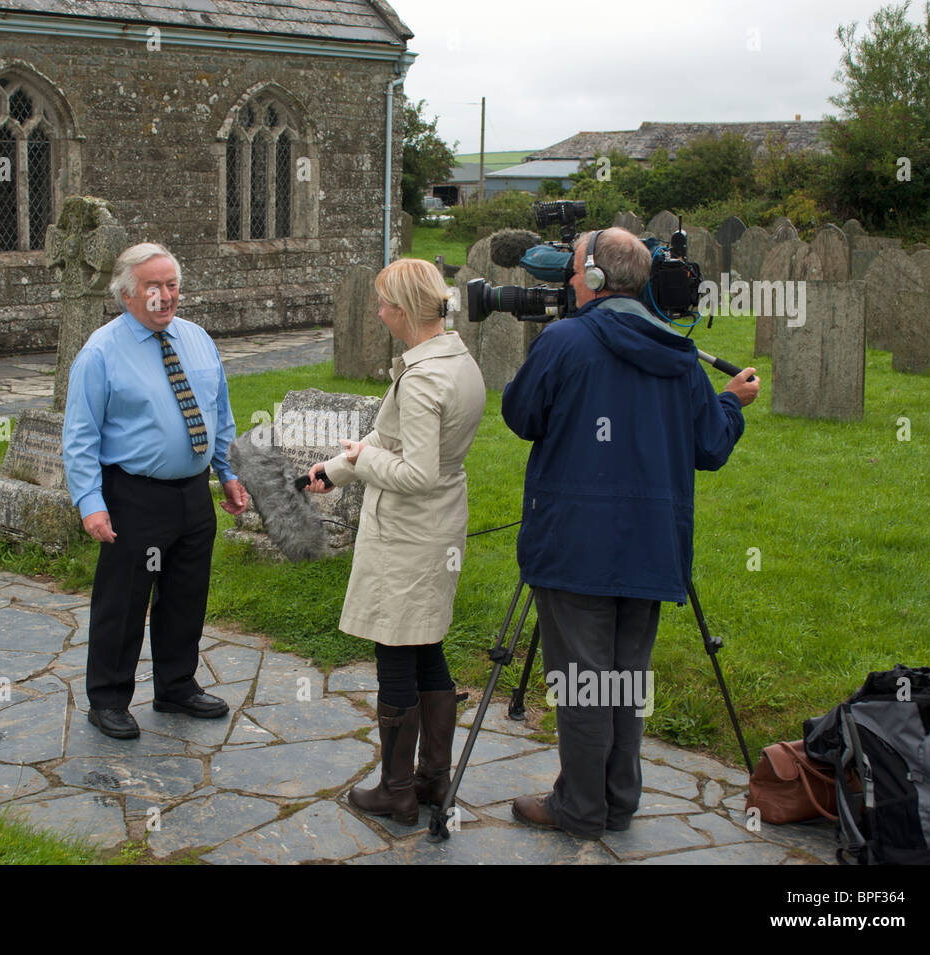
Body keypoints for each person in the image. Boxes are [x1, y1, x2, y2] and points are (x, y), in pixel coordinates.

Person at [501, 227, 760, 839]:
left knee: (584, 681)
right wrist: (730, 403)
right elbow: (710, 445)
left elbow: (520, 415)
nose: (566, 278)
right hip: (651, 551)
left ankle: (581, 809)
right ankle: (617, 801)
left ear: (592, 278)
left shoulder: (563, 341)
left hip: (575, 548)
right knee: (623, 676)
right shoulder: (678, 353)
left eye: (573, 268)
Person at [306, 257, 486, 825]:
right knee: (425, 640)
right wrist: (334, 469)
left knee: (395, 647)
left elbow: (415, 473)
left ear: (403, 311)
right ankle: (432, 779)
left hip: (410, 533)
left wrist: (365, 458)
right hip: (437, 526)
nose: (378, 311)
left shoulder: (425, 377)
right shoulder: (455, 359)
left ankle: (396, 789)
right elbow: (392, 439)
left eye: (383, 303)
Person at [62, 243, 249, 740]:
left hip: (192, 493)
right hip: (133, 497)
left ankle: (175, 686)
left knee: (186, 595)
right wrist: (90, 503)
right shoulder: (100, 352)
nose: (165, 297)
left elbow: (218, 412)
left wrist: (226, 473)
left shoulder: (197, 339)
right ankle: (106, 699)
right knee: (123, 601)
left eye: (172, 285)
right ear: (127, 294)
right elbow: (80, 435)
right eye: (153, 287)